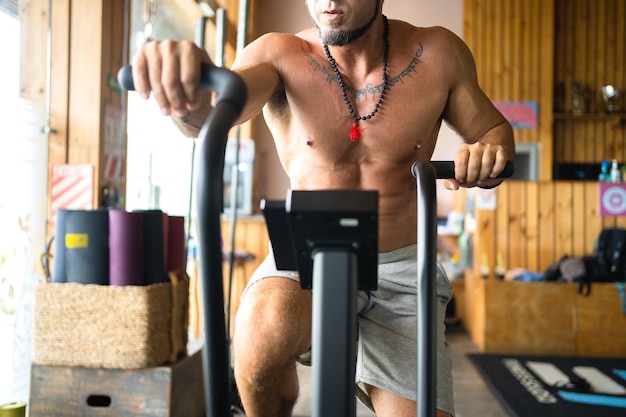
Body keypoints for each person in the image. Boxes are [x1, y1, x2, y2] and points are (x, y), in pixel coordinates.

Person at [131, 1, 515, 416]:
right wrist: (185, 92)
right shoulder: (278, 55)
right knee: (260, 333)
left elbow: (494, 133)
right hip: (306, 256)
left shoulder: (439, 53)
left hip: (403, 269)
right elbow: (211, 111)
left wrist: (487, 158)